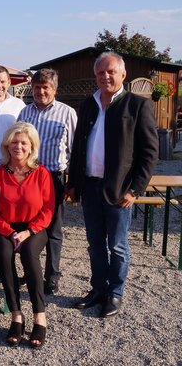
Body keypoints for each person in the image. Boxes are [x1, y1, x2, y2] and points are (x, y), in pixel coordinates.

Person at [67, 52, 158, 318]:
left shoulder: (137, 106)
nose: (105, 77)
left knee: (117, 245)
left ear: (122, 74)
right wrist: (73, 183)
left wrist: (135, 190)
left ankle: (115, 293)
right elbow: (79, 147)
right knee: (94, 243)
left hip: (120, 190)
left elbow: (149, 153)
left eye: (110, 72)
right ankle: (98, 289)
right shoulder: (88, 104)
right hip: (90, 188)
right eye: (100, 73)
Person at [0, 122, 54, 348]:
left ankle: (39, 315)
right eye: (14, 142)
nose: (18, 146)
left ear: (32, 146)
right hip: (5, 227)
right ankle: (16, 315)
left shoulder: (41, 173)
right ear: (7, 145)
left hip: (33, 227)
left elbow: (48, 210)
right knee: (4, 255)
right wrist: (9, 232)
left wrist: (27, 232)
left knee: (29, 254)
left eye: (23, 143)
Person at [17, 68, 77, 295]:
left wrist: (70, 180)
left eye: (46, 88)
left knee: (53, 229)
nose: (41, 91)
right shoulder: (24, 113)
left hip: (53, 176)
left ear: (55, 89)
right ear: (32, 88)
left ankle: (52, 275)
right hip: (28, 176)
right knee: (26, 225)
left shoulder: (67, 113)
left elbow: (74, 150)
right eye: (37, 87)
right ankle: (29, 270)